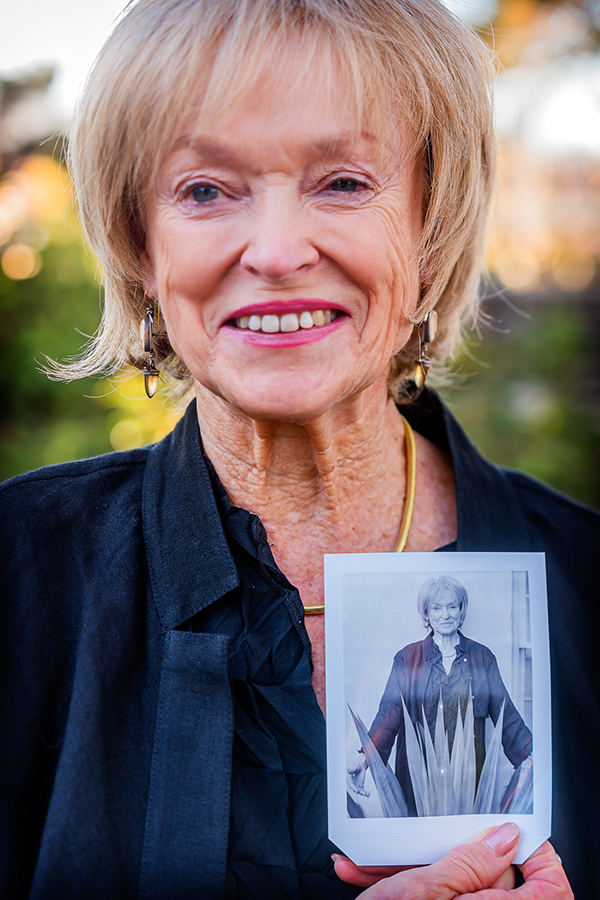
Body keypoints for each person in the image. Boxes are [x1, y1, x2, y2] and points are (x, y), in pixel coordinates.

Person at [0, 0, 596, 897]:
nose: (277, 251)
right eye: (205, 190)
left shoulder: (588, 579)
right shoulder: (17, 571)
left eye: (345, 182)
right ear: (139, 244)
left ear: (431, 228)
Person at [347, 576, 533, 816]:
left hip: (467, 778)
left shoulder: (482, 657)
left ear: (461, 610)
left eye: (451, 606)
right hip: (418, 779)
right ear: (427, 614)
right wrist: (365, 759)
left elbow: (504, 712)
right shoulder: (407, 658)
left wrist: (531, 758)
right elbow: (389, 714)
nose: (445, 614)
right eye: (437, 607)